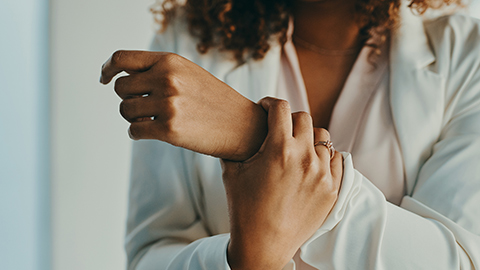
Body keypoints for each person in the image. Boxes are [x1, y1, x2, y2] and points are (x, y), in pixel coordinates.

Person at [100, 0, 480, 269]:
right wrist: (241, 263)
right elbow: (151, 254)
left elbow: (458, 262)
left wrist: (251, 135)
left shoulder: (467, 55)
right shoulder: (187, 39)